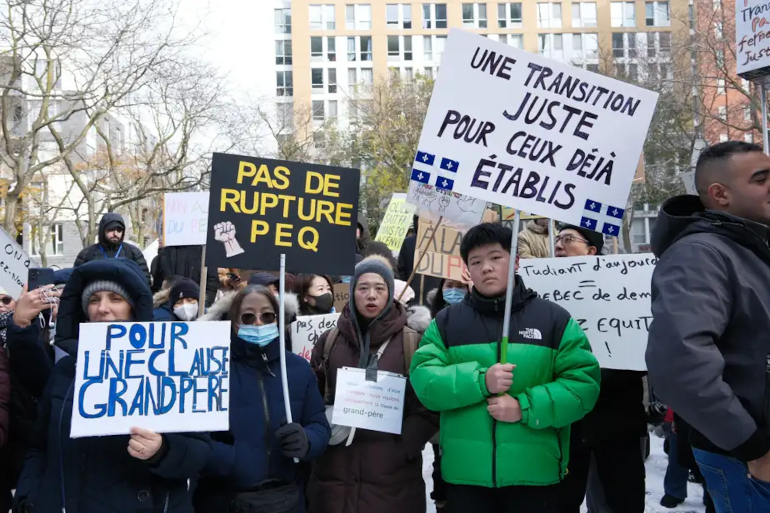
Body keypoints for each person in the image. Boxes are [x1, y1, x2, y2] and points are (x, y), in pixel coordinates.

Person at [410, 223, 601, 513]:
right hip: (466, 477)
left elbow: (582, 386)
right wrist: (479, 381)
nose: (486, 267)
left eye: (495, 257)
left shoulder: (554, 320)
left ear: (515, 261)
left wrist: (524, 407)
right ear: (467, 270)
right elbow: (424, 381)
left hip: (535, 474)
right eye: (476, 261)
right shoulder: (447, 323)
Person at [12, 259, 211, 513]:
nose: (102, 309)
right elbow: (40, 448)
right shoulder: (66, 371)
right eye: (94, 300)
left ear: (133, 307)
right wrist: (29, 498)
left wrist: (161, 450)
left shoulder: (170, 366)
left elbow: (199, 453)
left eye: (115, 298)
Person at [646, 141, 770, 512]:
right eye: (762, 179)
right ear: (720, 194)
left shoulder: (751, 249)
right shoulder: (700, 254)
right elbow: (679, 366)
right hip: (749, 460)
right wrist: (751, 445)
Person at [308, 255, 439, 513]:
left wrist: (402, 448)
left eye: (379, 288)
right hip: (335, 477)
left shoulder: (414, 342)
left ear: (390, 293)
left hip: (392, 482)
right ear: (352, 292)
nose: (371, 295)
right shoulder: (329, 340)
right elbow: (312, 397)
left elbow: (428, 406)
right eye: (363, 287)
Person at [193, 285, 330, 512]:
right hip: (225, 500)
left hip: (287, 499)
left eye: (267, 316)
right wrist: (231, 459)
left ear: (277, 319)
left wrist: (307, 440)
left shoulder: (297, 368)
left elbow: (319, 424)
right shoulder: (212, 369)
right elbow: (194, 437)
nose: (258, 323)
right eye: (248, 317)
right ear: (234, 322)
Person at [554, 225, 646, 513]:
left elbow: (641, 350)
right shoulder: (538, 291)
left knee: (620, 500)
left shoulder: (624, 288)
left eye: (567, 239)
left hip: (617, 417)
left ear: (592, 250)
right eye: (557, 238)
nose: (558, 244)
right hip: (564, 421)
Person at [73, 212, 151, 285]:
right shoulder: (86, 254)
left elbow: (145, 282)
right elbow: (74, 282)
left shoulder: (133, 252)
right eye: (111, 230)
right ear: (103, 230)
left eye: (119, 230)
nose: (115, 234)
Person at [150, 245, 220, 306]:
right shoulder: (163, 256)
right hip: (176, 305)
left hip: (180, 305)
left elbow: (212, 281)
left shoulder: (204, 253)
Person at [398, 216, 441, 305]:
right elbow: (401, 270)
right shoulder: (408, 242)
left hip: (436, 297)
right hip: (412, 296)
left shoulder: (444, 243)